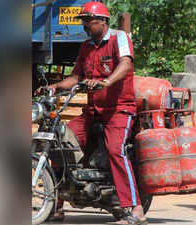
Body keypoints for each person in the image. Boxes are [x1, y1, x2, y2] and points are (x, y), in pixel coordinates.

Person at [36, 1, 147, 224]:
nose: (85, 25)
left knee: (116, 151)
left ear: (103, 21)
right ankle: (55, 205)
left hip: (119, 110)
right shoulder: (87, 46)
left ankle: (136, 210)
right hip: (92, 111)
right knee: (60, 141)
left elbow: (125, 64)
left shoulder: (119, 38)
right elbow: (76, 76)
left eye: (89, 21)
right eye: (84, 21)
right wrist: (55, 87)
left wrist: (105, 82)